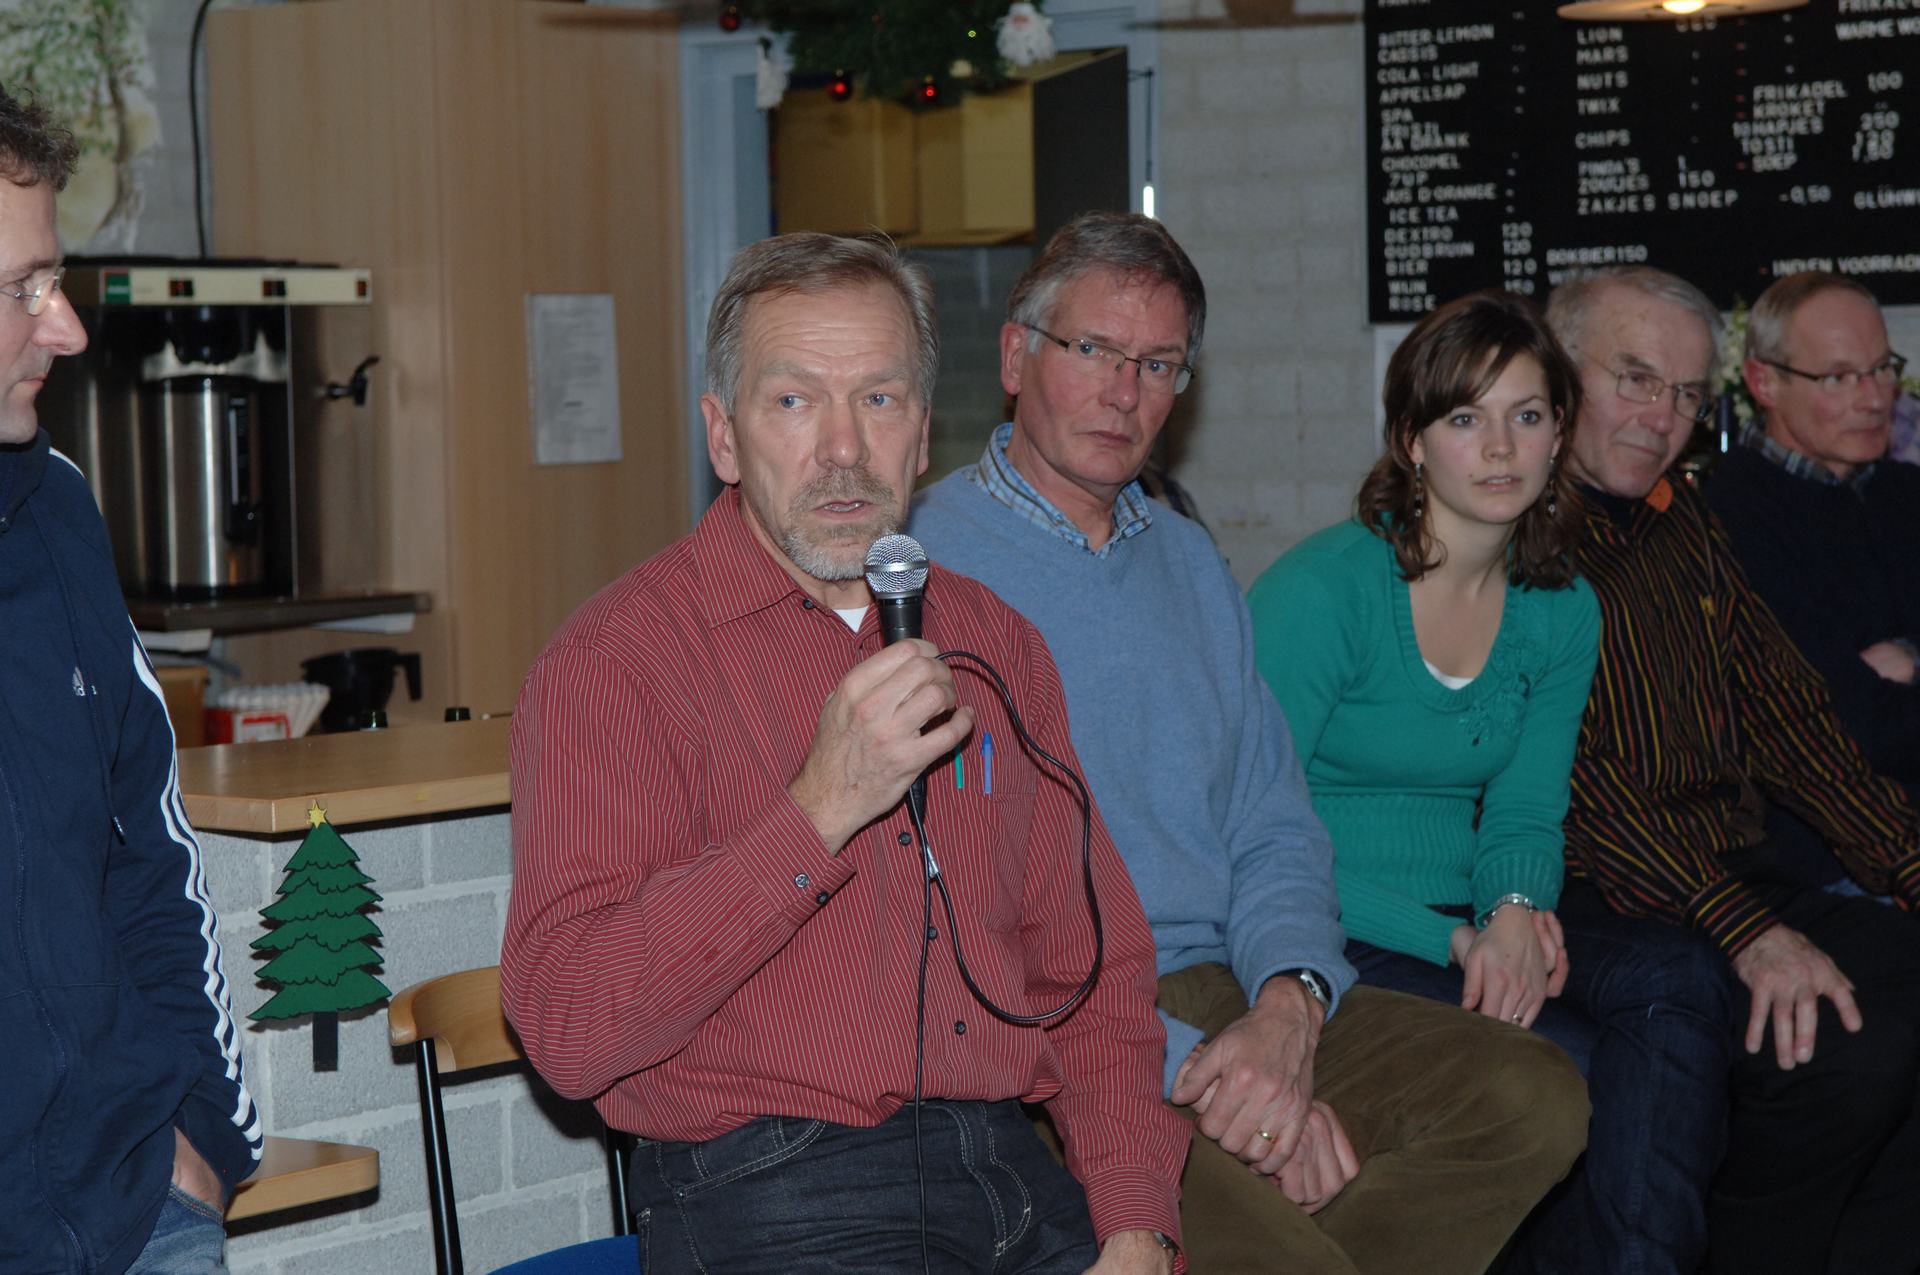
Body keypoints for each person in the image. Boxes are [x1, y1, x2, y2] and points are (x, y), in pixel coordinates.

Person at [909, 211, 1589, 1275]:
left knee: (1532, 1096)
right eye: (1093, 350)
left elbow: (1276, 827)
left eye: (1158, 364)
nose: (1124, 392)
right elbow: (957, 915)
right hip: (1063, 1040)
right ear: (1014, 356)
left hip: (1232, 979)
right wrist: (1206, 1070)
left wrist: (1288, 1008)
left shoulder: (1189, 562)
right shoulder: (923, 572)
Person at [501, 233, 1187, 1274]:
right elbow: (569, 1027)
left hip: (1008, 1166)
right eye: (794, 401)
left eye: (879, 399)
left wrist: (1138, 1226)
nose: (842, 449)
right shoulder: (616, 663)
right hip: (771, 1187)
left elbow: (1096, 980)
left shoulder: (995, 643)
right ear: (724, 437)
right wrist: (819, 807)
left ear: (924, 433)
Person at [1247, 289, 1732, 1275]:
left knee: (1682, 982)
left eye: (1528, 415)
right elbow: (1253, 832)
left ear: (1560, 434)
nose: (1502, 447)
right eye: (1466, 418)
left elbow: (1525, 804)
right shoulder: (1322, 592)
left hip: (1467, 905)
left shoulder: (1562, 608)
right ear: (1413, 441)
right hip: (1324, 918)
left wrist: (1513, 907)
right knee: (1570, 1069)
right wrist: (1457, 939)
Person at [1546, 265, 1920, 1275]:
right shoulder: (1518, 530)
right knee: (1854, 1048)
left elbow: (1793, 721)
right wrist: (1745, 928)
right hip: (1596, 891)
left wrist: (1909, 863)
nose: (1660, 417)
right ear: (1557, 374)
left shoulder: (1685, 522)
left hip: (1731, 868)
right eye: (1634, 379)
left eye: (1683, 393)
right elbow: (1581, 791)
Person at [0, 89, 261, 1274]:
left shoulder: (56, 510)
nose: (65, 330)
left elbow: (147, 852)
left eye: (53, 279)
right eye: (22, 290)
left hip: (137, 1211)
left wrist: (200, 1128)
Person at [1702, 271, 1920, 792]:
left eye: (1882, 369)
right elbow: (1841, 726)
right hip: (1837, 832)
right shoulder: (1725, 518)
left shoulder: (1907, 491)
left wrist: (1909, 657)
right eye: (1839, 377)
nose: (1874, 399)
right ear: (1764, 383)